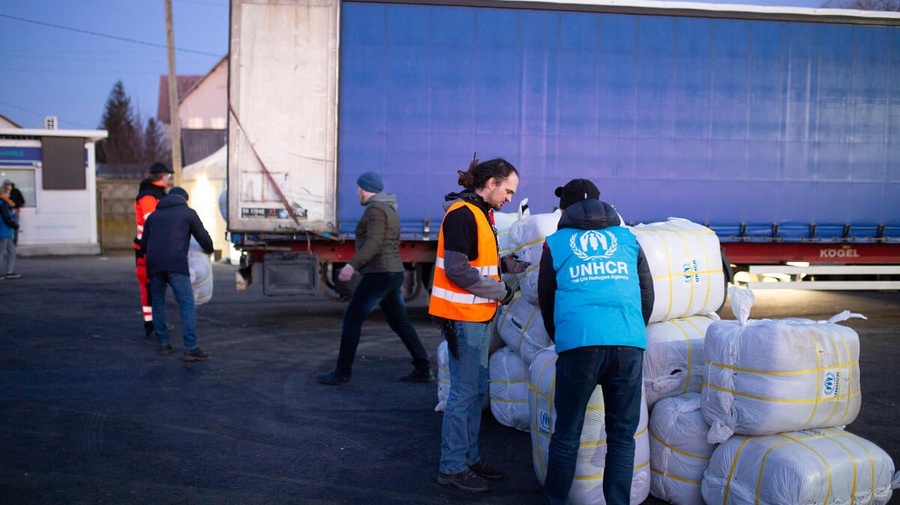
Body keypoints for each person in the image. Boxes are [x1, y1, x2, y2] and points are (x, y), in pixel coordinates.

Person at [536, 179, 655, 505]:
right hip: (627, 344)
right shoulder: (627, 239)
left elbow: (546, 297)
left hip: (579, 345)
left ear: (565, 209)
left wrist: (562, 337)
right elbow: (647, 292)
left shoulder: (556, 243)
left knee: (567, 433)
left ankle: (554, 500)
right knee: (621, 436)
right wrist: (631, 331)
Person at [428, 157, 529, 493]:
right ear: (491, 183)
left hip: (477, 315)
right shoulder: (462, 214)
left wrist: (505, 264)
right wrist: (501, 290)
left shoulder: (479, 214)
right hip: (463, 317)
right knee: (464, 392)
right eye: (508, 191)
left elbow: (475, 259)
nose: (510, 198)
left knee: (473, 390)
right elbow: (457, 270)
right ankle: (453, 466)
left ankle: (468, 458)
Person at [317, 171, 434, 385]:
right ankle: (422, 367)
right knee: (399, 322)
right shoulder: (388, 208)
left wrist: (351, 266)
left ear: (364, 188)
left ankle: (342, 373)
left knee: (352, 318)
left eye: (358, 189)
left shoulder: (375, 210)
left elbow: (374, 242)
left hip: (380, 274)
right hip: (391, 272)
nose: (357, 193)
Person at [140, 187, 215, 362]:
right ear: (184, 199)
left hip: (154, 264)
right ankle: (191, 348)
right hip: (176, 263)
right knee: (187, 303)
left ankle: (164, 344)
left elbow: (143, 245)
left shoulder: (153, 217)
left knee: (157, 303)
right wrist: (209, 250)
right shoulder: (187, 213)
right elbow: (203, 237)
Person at [134, 162, 173, 338]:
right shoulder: (150, 197)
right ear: (163, 176)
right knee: (151, 286)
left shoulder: (151, 194)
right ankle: (152, 323)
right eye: (168, 176)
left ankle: (152, 322)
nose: (169, 179)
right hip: (149, 249)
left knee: (150, 286)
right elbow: (153, 222)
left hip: (148, 248)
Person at [0, 184, 21, 279]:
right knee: (2, 252)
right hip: (3, 232)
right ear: (3, 193)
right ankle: (9, 271)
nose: (9, 195)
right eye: (7, 193)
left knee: (11, 251)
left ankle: (10, 271)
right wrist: (16, 226)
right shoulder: (3, 204)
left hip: (6, 232)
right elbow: (6, 218)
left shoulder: (5, 204)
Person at [3, 179, 24, 245]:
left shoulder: (16, 191)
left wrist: (16, 206)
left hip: (14, 211)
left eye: (8, 184)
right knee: (6, 225)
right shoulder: (2, 192)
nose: (8, 186)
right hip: (5, 211)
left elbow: (22, 201)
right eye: (6, 185)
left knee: (15, 225)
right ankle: (7, 241)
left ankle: (15, 241)